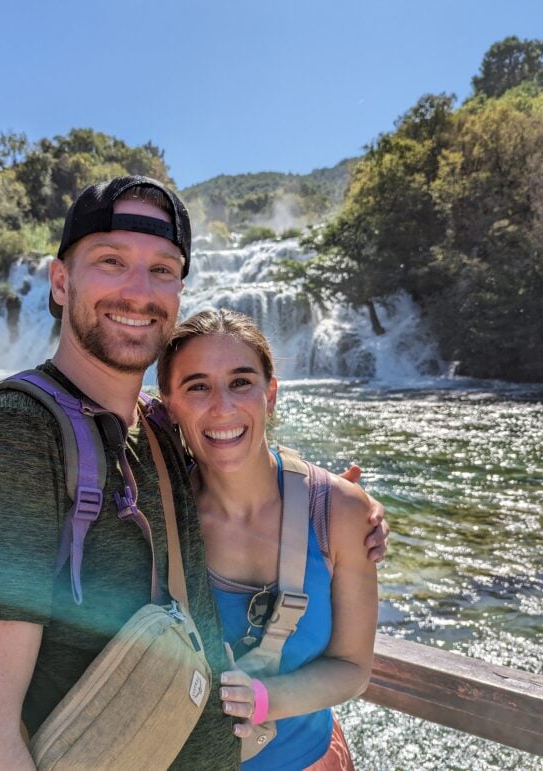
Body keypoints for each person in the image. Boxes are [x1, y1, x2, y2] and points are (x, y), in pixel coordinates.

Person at [0, 176, 387, 769]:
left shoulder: (158, 434)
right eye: (111, 261)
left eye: (162, 269)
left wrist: (342, 504)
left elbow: (236, 445)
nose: (139, 291)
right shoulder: (13, 441)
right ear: (61, 281)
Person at [157, 308, 378, 770]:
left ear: (270, 395)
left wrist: (264, 699)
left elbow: (353, 668)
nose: (222, 406)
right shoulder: (156, 512)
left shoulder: (338, 511)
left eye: (241, 382)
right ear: (169, 404)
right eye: (197, 387)